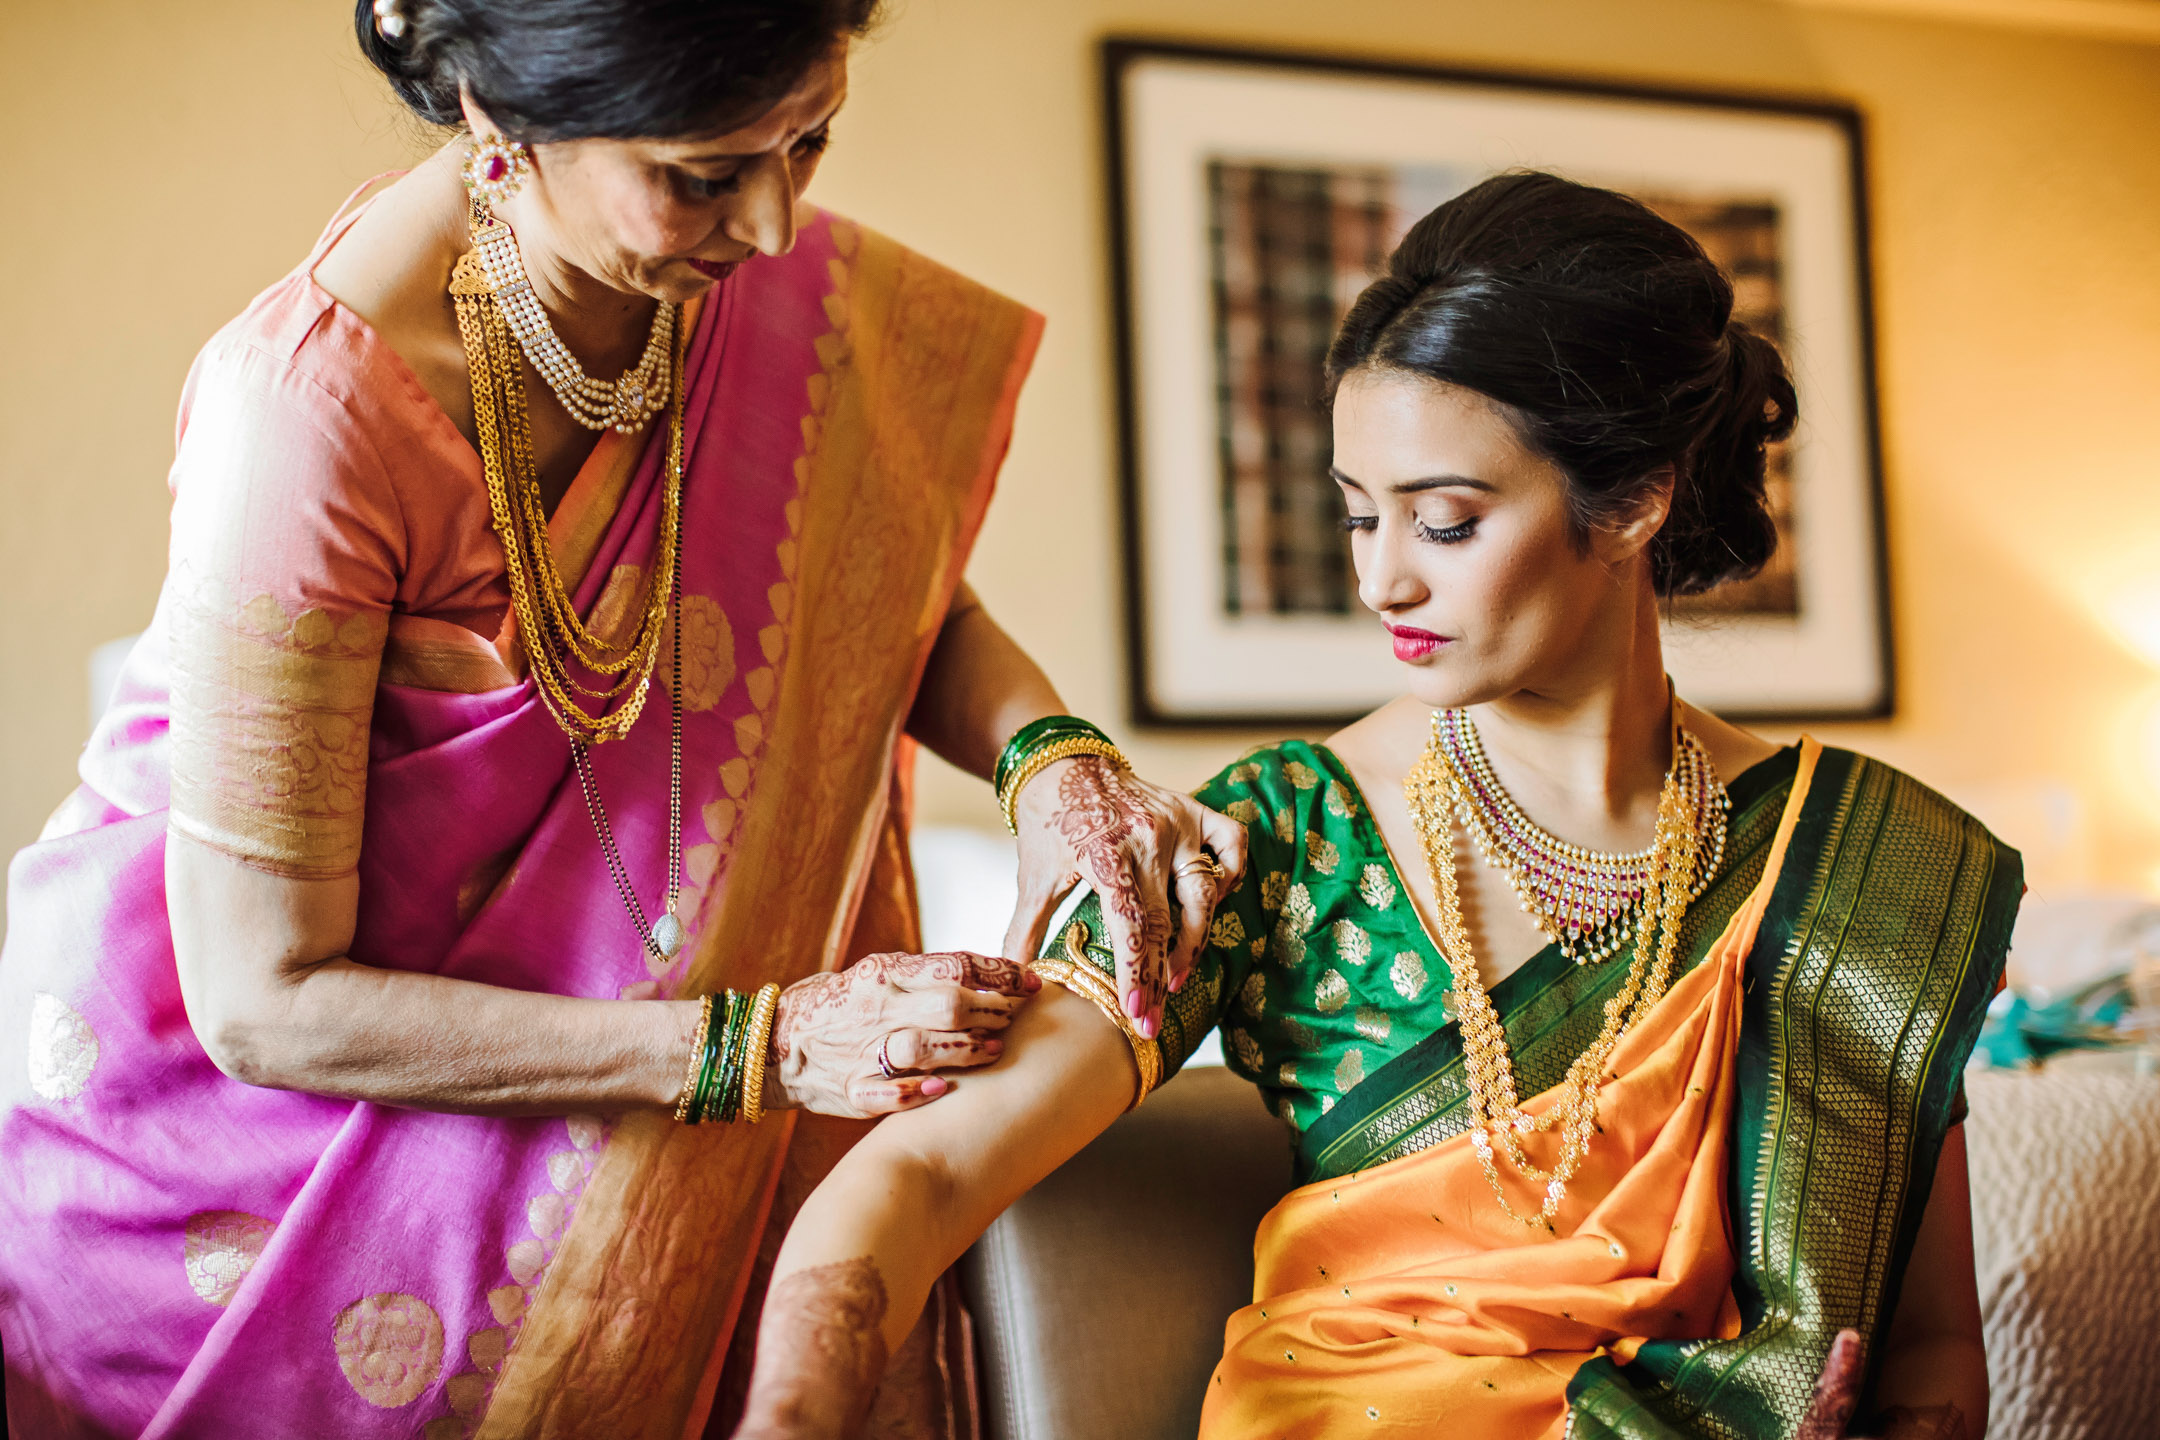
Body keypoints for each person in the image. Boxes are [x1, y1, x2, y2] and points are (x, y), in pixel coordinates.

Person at [0, 2, 1247, 1435]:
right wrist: (759, 1050)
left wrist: (1052, 760)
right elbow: (262, 1001)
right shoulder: (306, 416)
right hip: (256, 1206)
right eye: (705, 174)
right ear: (497, 117)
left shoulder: (713, 291)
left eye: (810, 140)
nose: (776, 226)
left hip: (636, 1100)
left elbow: (889, 592)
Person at [731, 174, 2014, 1440]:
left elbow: (1932, 1342)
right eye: (1358, 519)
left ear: (1632, 500)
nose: (1382, 580)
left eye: (1445, 523)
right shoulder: (1275, 836)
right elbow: (930, 1167)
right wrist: (792, 1414)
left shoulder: (1865, 864)